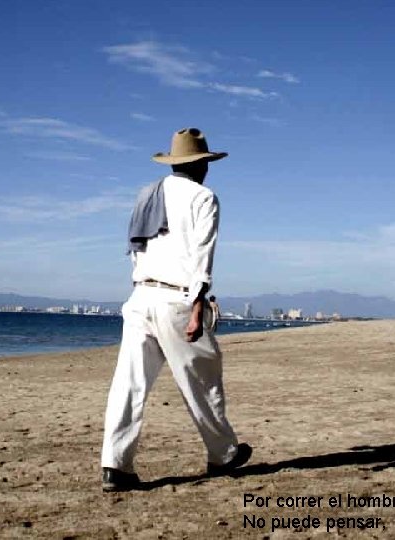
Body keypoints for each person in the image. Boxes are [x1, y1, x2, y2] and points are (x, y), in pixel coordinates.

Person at [100, 128, 251, 492]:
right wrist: (198, 307)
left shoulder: (146, 195)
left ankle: (115, 466)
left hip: (140, 296)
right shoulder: (204, 197)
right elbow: (202, 256)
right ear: (201, 164)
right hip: (176, 299)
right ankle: (223, 454)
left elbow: (136, 249)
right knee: (202, 378)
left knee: (129, 384)